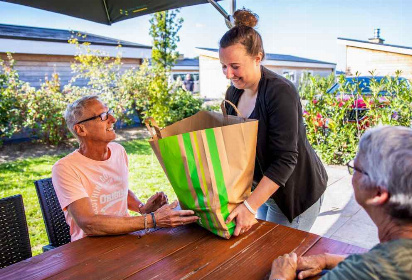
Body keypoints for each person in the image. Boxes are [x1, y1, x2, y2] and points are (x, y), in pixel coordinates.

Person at [220, 9, 328, 235]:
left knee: (276, 258)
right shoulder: (234, 94)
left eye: (235, 66)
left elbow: (286, 158)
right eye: (224, 66)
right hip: (262, 192)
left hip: (294, 194)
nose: (228, 74)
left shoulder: (280, 92)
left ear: (257, 58)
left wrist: (249, 207)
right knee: (260, 251)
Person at [270, 125, 412, 280]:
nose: (352, 176)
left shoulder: (367, 272)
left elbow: (374, 267)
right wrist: (327, 259)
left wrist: (280, 276)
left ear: (378, 193)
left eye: (356, 168)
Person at [52, 95, 199, 241]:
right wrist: (153, 219)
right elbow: (89, 223)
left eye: (110, 112)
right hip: (89, 248)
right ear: (81, 129)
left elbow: (116, 188)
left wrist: (142, 208)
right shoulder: (66, 168)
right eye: (103, 116)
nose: (113, 119)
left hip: (124, 238)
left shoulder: (118, 151)